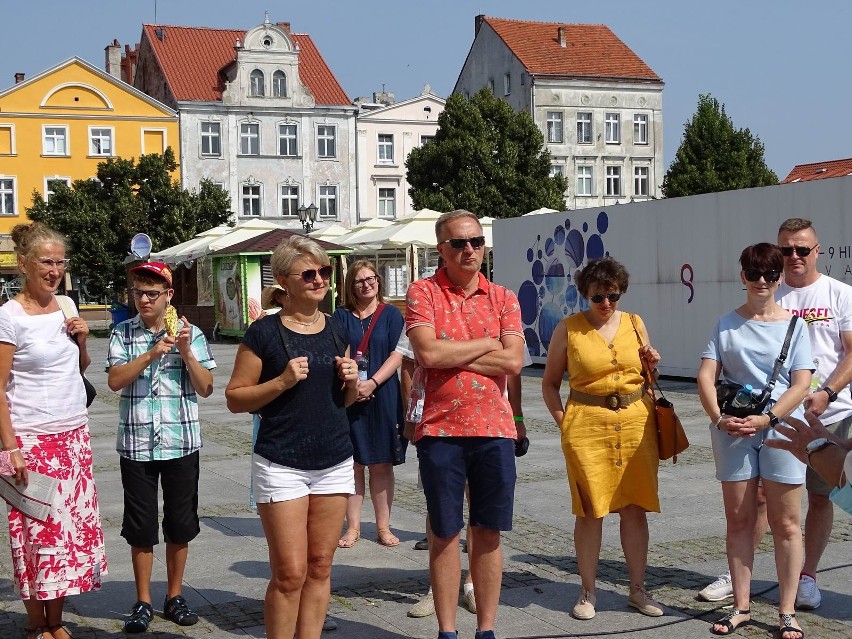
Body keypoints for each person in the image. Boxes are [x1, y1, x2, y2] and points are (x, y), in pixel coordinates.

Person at [698, 218, 852, 608]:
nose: (794, 256)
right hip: (770, 417)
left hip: (825, 413)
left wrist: (828, 392)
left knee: (818, 500)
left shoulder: (839, 294)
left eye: (803, 249)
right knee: (757, 502)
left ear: (817, 251)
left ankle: (807, 578)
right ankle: (739, 577)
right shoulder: (759, 301)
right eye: (787, 250)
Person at [225, 236, 358, 639]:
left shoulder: (337, 327)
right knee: (289, 573)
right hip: (281, 461)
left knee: (320, 564)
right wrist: (281, 382)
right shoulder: (263, 332)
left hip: (334, 459)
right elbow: (235, 398)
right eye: (309, 273)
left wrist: (353, 381)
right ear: (284, 279)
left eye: (325, 271)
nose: (320, 280)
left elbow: (344, 401)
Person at [406, 209, 523, 639]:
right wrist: (487, 344)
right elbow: (429, 356)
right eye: (459, 243)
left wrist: (452, 346)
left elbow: (513, 361)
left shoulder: (503, 296)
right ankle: (448, 631)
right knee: (444, 531)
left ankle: (486, 630)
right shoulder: (422, 292)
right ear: (442, 249)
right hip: (440, 430)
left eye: (476, 241)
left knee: (488, 532)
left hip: (495, 428)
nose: (469, 249)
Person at [697, 243, 812, 639]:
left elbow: (801, 382)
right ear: (742, 276)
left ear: (780, 278)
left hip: (782, 430)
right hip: (732, 432)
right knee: (739, 521)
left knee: (786, 523)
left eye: (770, 274)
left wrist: (768, 417)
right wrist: (718, 418)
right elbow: (706, 375)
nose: (762, 281)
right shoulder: (725, 323)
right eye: (754, 274)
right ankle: (741, 606)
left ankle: (786, 611)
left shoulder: (796, 325)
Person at [541, 257, 664, 622]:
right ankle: (587, 590)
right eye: (597, 297)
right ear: (585, 295)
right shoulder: (569, 328)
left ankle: (637, 590)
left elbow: (646, 374)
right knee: (590, 511)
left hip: (636, 423)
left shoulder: (635, 323)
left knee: (635, 507)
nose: (606, 303)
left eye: (613, 295)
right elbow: (549, 384)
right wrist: (565, 424)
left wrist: (652, 364)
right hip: (587, 424)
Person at [0, 222, 107, 639]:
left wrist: (82, 341)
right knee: (36, 533)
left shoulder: (66, 304)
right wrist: (10, 448)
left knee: (68, 532)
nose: (55, 270)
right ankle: (35, 623)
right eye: (46, 262)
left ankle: (56, 620)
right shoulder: (9, 316)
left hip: (73, 435)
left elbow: (78, 370)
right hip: (31, 439)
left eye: (60, 262)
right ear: (23, 263)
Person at [106, 261, 215, 633]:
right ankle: (143, 602)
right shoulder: (122, 333)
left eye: (152, 293)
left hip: (181, 442)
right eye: (138, 292)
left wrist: (185, 352)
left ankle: (174, 596)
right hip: (136, 444)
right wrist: (152, 354)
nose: (144, 300)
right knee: (140, 527)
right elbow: (115, 381)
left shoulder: (191, 333)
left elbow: (206, 387)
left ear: (169, 295)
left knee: (180, 524)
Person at [333, 260, 406, 548]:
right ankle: (352, 527)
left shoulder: (391, 314)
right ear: (351, 286)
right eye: (360, 280)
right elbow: (339, 352)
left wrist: (373, 382)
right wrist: (353, 384)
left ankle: (383, 527)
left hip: (384, 391)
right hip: (350, 394)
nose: (367, 284)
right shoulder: (340, 316)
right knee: (353, 463)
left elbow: (398, 355)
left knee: (381, 463)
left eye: (371, 278)